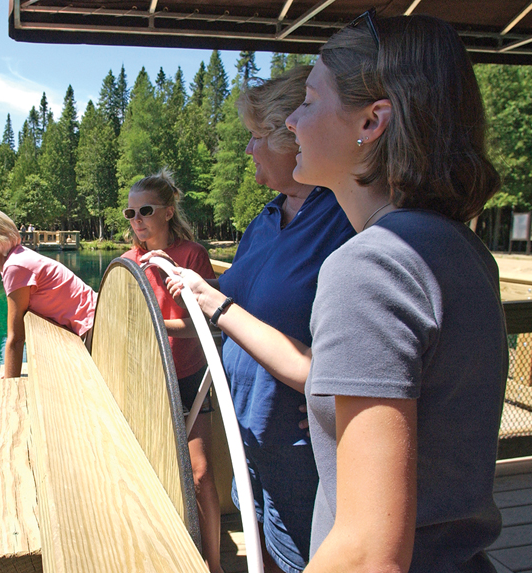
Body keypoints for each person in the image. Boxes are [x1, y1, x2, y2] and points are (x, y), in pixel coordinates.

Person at [281, 12, 507, 572]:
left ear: (372, 121)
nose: (290, 120)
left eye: (309, 99)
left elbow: (366, 556)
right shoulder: (458, 248)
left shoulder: (370, 267)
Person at [152, 67, 355, 573]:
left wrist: (213, 301)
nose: (248, 149)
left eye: (256, 136)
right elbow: (243, 296)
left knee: (299, 558)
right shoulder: (266, 219)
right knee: (257, 537)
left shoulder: (345, 217)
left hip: (300, 444)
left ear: (293, 137)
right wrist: (193, 285)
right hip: (247, 427)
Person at [121, 170, 223, 573]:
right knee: (154, 475)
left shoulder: (192, 255)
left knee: (200, 475)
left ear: (167, 211)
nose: (137, 219)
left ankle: (213, 564)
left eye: (145, 210)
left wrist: (156, 325)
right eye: (131, 212)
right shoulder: (128, 263)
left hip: (189, 378)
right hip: (148, 381)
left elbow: (207, 323)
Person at [0, 206, 96, 379]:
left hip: (94, 329)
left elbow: (16, 338)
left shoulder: (15, 266)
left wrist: (9, 382)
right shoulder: (17, 258)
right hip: (92, 322)